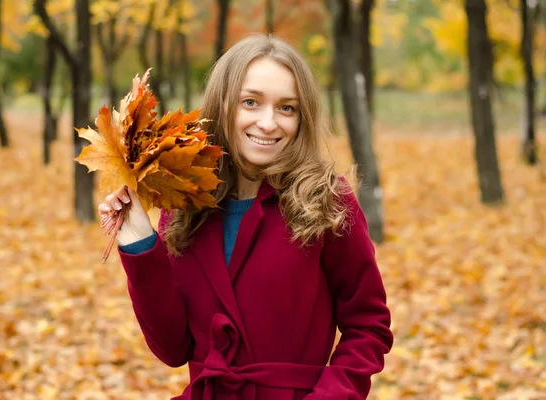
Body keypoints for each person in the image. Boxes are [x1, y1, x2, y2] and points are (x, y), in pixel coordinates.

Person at [98, 34, 393, 400]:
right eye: (250, 102)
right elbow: (173, 349)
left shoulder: (326, 200)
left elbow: (368, 326)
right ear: (222, 106)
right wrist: (140, 244)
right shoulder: (186, 203)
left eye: (287, 108)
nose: (268, 123)